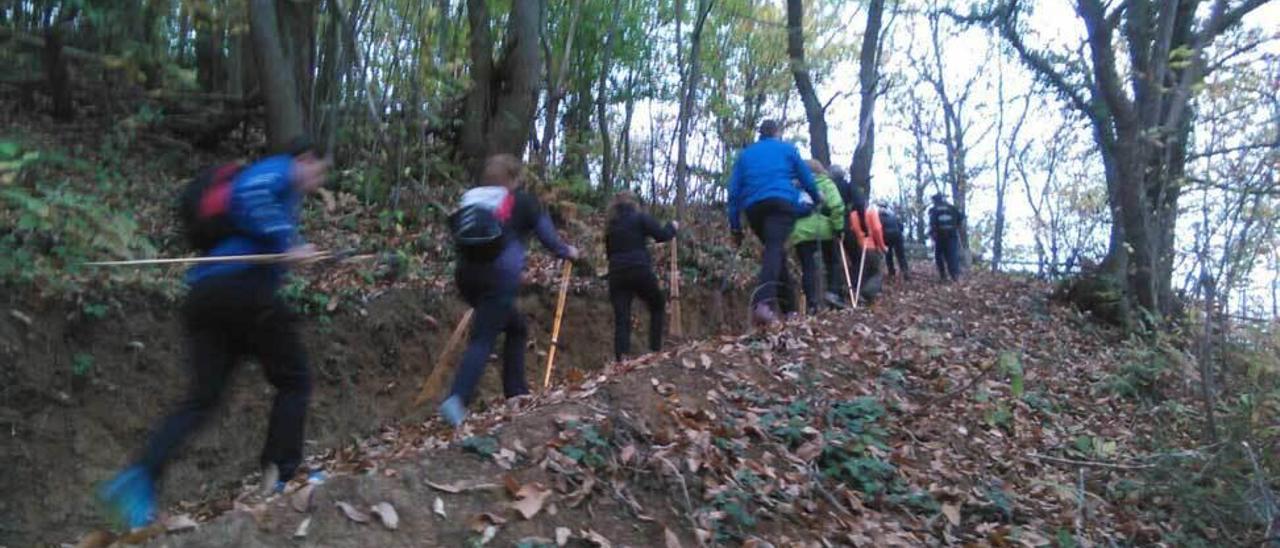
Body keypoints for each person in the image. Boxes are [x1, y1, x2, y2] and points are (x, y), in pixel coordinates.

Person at [98, 137, 331, 530]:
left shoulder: (280, 193)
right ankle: (283, 474)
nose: (318, 180)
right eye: (319, 170)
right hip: (241, 292)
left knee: (201, 400)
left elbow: (258, 225)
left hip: (205, 298)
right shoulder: (279, 170)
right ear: (305, 158)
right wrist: (287, 241)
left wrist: (292, 253)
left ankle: (138, 479)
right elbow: (250, 193)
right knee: (295, 379)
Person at [440, 154, 579, 427]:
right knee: (484, 338)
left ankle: (516, 393)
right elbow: (549, 238)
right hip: (498, 277)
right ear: (514, 178)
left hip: (466, 277)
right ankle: (456, 399)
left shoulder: (471, 199)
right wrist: (568, 251)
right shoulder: (523, 201)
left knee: (516, 327)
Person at [727, 119, 824, 326]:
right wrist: (817, 198)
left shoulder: (745, 155)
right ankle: (763, 304)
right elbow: (806, 177)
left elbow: (733, 192)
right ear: (777, 132)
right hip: (780, 204)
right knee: (774, 248)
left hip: (754, 209)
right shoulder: (787, 149)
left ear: (760, 134)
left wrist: (735, 226)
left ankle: (790, 310)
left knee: (776, 250)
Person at [604, 191, 677, 361]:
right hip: (639, 270)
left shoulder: (611, 226)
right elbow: (661, 235)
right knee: (657, 304)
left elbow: (609, 253)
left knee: (622, 317)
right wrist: (672, 227)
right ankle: (655, 349)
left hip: (616, 274)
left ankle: (621, 358)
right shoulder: (640, 218)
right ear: (633, 203)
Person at [789, 160, 845, 314]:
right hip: (824, 230)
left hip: (801, 232)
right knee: (832, 261)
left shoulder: (793, 186)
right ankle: (833, 293)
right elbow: (837, 206)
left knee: (808, 267)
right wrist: (839, 228)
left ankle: (811, 303)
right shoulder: (826, 183)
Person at [929, 193, 964, 282]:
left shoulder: (934, 210)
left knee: (938, 256)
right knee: (952, 255)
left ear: (936, 200)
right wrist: (955, 226)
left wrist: (932, 234)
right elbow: (961, 218)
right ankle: (954, 276)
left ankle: (943, 276)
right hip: (952, 235)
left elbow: (932, 224)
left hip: (940, 236)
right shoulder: (952, 208)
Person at [880, 203, 909, 280]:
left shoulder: (879, 216)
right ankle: (905, 270)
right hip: (897, 235)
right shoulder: (893, 215)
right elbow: (901, 227)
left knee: (888, 255)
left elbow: (878, 228)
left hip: (886, 236)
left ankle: (891, 272)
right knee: (901, 255)